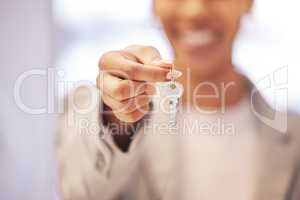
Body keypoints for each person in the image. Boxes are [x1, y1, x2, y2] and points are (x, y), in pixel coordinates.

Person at [57, 0, 300, 199]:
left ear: (248, 3)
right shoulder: (92, 109)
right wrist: (118, 118)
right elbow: (79, 191)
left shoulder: (294, 135)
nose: (196, 10)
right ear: (153, 5)